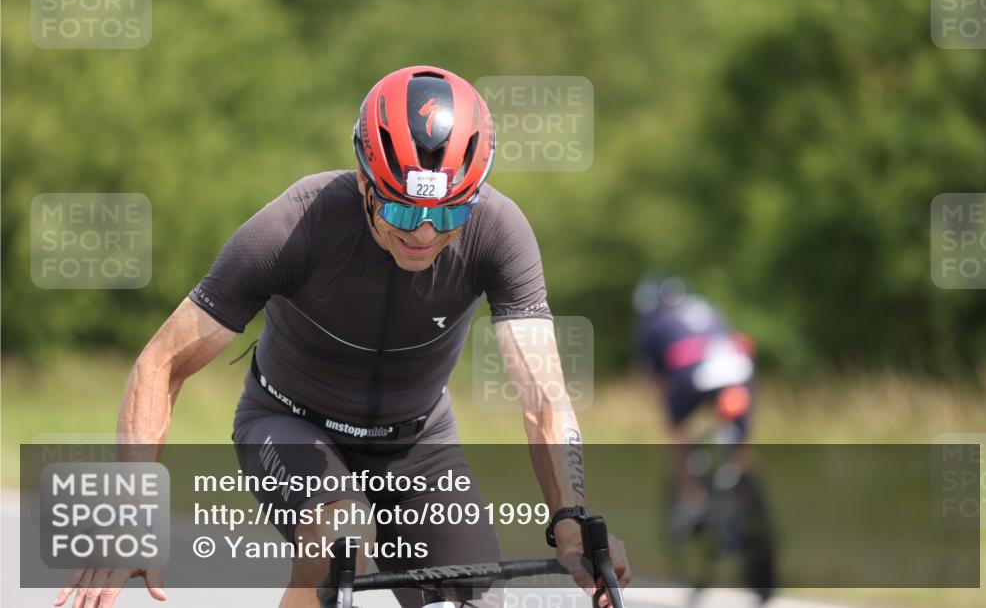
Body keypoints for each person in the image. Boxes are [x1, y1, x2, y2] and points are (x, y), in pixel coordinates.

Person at [55, 66, 629, 608]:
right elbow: (161, 363)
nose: (424, 234)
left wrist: (571, 519)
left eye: (447, 215)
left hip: (417, 447)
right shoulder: (294, 227)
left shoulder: (500, 234)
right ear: (363, 180)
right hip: (289, 423)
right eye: (403, 213)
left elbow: (544, 397)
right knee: (340, 538)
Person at [632, 274, 756, 523]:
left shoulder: (653, 323)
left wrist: (669, 408)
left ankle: (694, 500)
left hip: (691, 373)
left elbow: (653, 379)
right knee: (737, 445)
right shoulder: (707, 307)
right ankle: (745, 502)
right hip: (739, 368)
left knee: (677, 432)